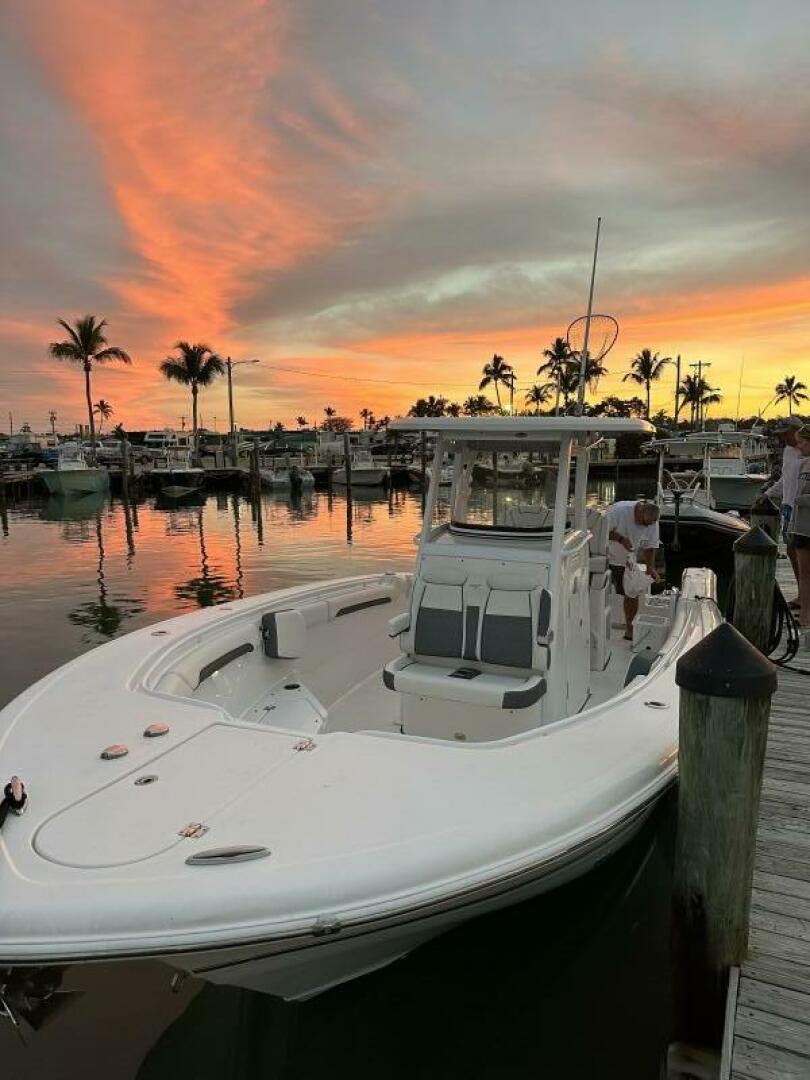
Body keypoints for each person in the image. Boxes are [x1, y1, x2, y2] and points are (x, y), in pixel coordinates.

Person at [765, 416, 805, 608]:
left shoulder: (806, 451)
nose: (784, 439)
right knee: (791, 550)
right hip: (789, 507)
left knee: (803, 552)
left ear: (797, 431)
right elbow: (785, 479)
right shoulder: (789, 451)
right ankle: (801, 593)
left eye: (786, 434)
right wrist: (768, 494)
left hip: (804, 508)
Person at [607, 499, 661, 640]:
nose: (646, 527)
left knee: (632, 591)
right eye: (644, 523)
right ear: (640, 510)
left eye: (649, 524)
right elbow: (599, 531)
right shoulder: (619, 510)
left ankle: (630, 629)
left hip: (627, 560)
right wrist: (620, 539)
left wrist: (650, 567)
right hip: (605, 555)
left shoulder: (652, 523)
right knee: (599, 589)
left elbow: (651, 545)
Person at [788, 426, 810, 640]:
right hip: (801, 526)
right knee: (804, 574)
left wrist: (799, 500)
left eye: (802, 442)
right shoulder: (802, 464)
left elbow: (803, 497)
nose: (799, 446)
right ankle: (805, 614)